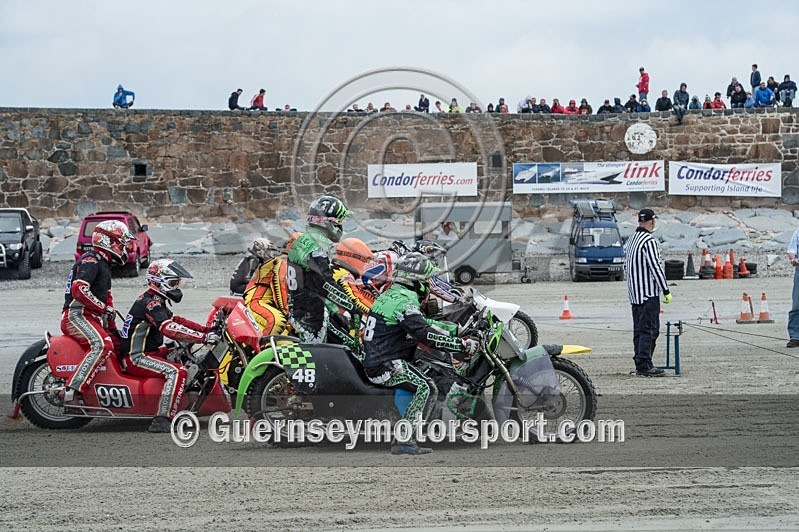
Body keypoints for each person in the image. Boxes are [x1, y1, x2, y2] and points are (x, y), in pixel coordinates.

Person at [362, 252, 478, 455]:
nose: (429, 286)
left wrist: (454, 329)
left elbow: (422, 324)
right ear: (416, 281)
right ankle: (405, 441)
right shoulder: (404, 302)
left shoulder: (394, 294)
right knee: (426, 388)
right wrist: (460, 345)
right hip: (385, 364)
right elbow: (425, 335)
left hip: (381, 358)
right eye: (427, 280)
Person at [119, 259, 218, 433]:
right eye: (173, 283)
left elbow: (176, 320)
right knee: (177, 371)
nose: (176, 288)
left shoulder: (156, 300)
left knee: (179, 351)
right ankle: (162, 418)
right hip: (136, 357)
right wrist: (203, 337)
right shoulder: (151, 304)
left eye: (177, 283)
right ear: (158, 282)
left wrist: (207, 329)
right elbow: (169, 328)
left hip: (150, 351)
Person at [61, 220, 134, 402]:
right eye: (120, 243)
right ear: (107, 241)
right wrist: (103, 308)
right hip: (76, 315)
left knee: (118, 344)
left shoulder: (103, 264)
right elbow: (79, 289)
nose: (123, 247)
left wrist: (113, 328)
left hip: (92, 316)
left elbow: (107, 300)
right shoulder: (90, 260)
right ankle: (72, 389)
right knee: (102, 345)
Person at [287, 195, 356, 343]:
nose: (341, 226)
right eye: (340, 221)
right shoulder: (316, 243)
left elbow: (316, 283)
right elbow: (326, 282)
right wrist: (352, 305)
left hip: (301, 306)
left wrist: (334, 310)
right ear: (329, 222)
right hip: (311, 313)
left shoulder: (304, 239)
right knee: (317, 358)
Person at [623, 209, 671, 377]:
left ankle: (640, 362)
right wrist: (665, 289)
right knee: (650, 330)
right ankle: (645, 364)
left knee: (639, 329)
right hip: (648, 293)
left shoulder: (631, 239)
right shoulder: (649, 241)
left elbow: (626, 267)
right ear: (653, 221)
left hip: (634, 294)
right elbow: (655, 266)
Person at [242, 238, 289, 335]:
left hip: (264, 301)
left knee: (285, 334)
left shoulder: (279, 261)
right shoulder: (278, 262)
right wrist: (285, 311)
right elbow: (280, 286)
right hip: (257, 301)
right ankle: (266, 347)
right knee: (277, 321)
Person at [785, 226, 799, 347]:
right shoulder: (798, 232)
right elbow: (791, 250)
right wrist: (793, 259)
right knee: (797, 305)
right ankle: (795, 336)